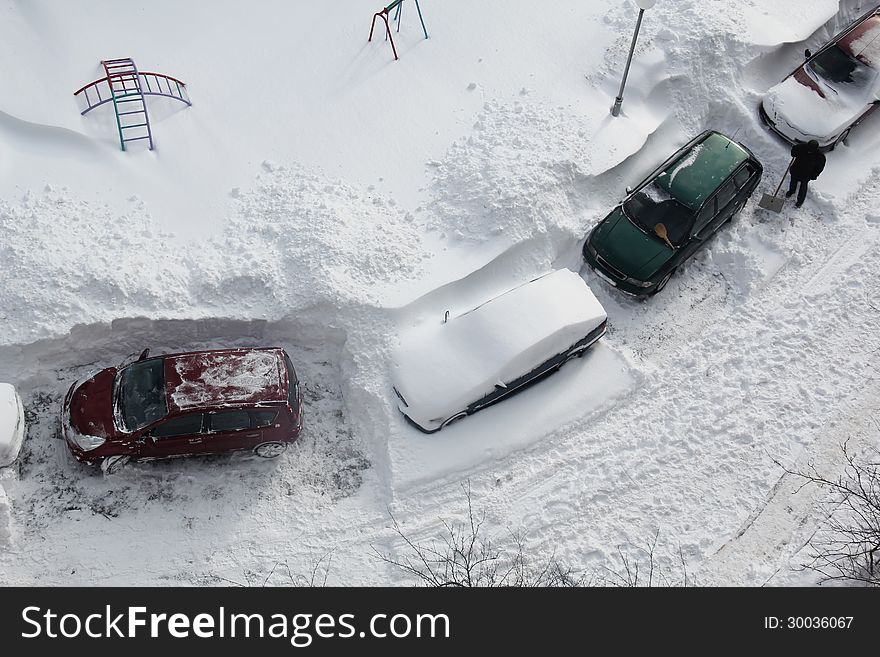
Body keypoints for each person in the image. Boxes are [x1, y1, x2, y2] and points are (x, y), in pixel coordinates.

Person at [786, 139, 826, 208]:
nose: (809, 151)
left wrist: (814, 175)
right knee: (793, 182)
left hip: (806, 174)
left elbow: (820, 168)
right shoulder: (802, 147)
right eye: (809, 148)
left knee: (803, 187)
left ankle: (800, 201)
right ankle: (791, 191)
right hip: (796, 169)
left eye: (811, 150)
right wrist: (794, 151)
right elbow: (793, 152)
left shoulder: (820, 156)